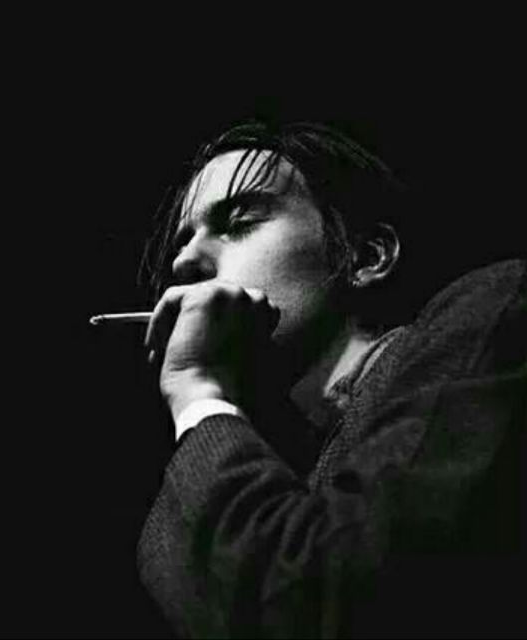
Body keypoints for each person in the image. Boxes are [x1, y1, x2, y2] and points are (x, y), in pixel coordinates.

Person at [135, 120, 526, 638]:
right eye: (182, 242)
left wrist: (198, 390)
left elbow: (327, 598)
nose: (184, 261)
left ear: (365, 257)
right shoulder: (194, 503)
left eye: (240, 221)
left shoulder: (492, 315)